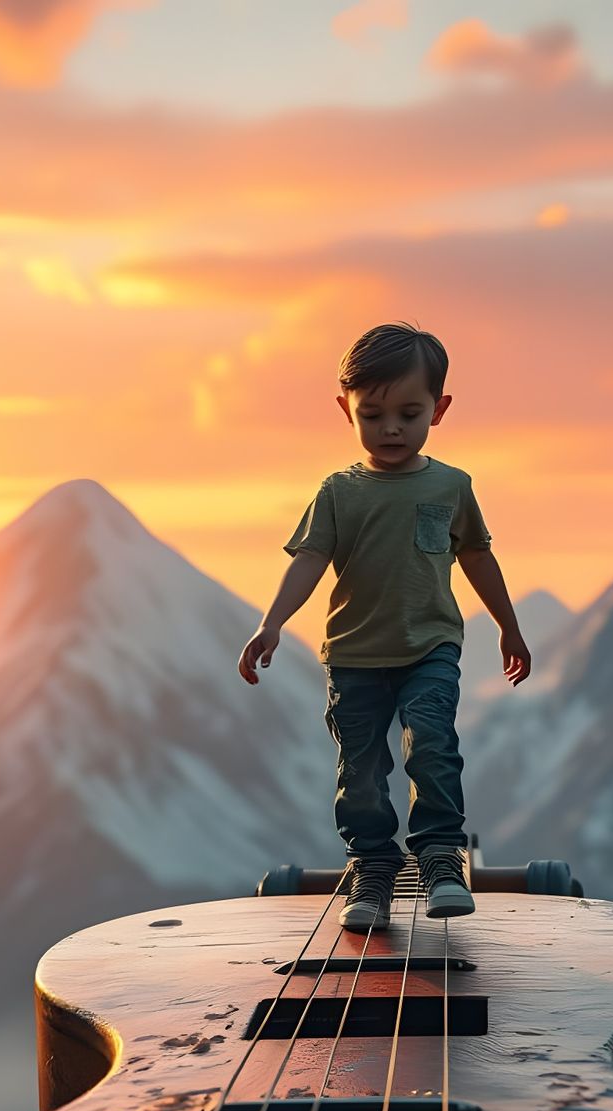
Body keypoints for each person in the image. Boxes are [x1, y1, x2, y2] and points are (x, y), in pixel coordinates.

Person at [237, 321, 531, 931]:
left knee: (433, 746)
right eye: (372, 415)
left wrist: (508, 626)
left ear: (438, 410)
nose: (390, 428)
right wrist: (272, 623)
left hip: (430, 647)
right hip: (354, 656)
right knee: (362, 771)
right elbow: (309, 559)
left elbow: (477, 557)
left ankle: (440, 858)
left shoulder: (451, 486)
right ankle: (372, 867)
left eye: (408, 413)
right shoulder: (338, 492)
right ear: (345, 409)